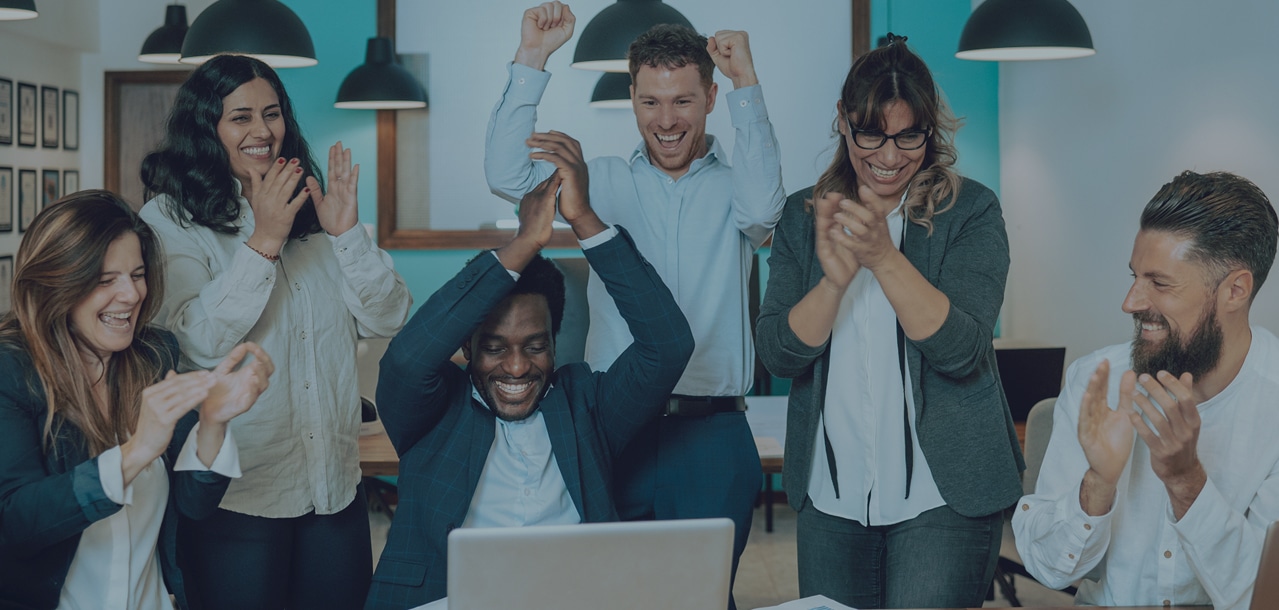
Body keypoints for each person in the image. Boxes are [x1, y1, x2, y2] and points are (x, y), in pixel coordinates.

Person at [484, 5, 785, 602]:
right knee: (611, 596)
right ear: (632, 98)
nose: (666, 119)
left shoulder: (738, 186)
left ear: (710, 99)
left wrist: (749, 82)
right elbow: (506, 175)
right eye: (650, 101)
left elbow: (763, 212)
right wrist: (533, 58)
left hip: (712, 435)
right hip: (613, 428)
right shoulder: (599, 183)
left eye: (683, 101)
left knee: (699, 598)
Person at [366, 135, 694, 608]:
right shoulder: (432, 409)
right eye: (495, 348)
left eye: (535, 346)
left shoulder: (587, 405)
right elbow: (406, 358)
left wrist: (583, 220)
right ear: (466, 346)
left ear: (555, 343)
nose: (517, 367)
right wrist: (524, 244)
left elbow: (668, 344)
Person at [754, 35, 1024, 608]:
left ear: (931, 131)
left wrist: (882, 256)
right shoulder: (806, 219)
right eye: (871, 134)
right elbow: (779, 354)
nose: (890, 155)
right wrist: (833, 281)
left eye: (909, 136)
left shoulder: (970, 211)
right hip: (830, 496)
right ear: (843, 123)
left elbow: (961, 350)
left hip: (943, 496)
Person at [139, 54, 413, 609]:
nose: (262, 131)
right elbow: (194, 342)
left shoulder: (315, 208)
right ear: (206, 128)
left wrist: (345, 237)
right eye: (240, 117)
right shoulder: (171, 218)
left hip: (334, 486)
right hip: (240, 497)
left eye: (272, 114)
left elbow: (390, 316)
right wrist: (263, 239)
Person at [1014, 171, 1279, 610]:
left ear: (1235, 290)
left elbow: (1264, 594)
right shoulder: (1096, 380)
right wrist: (1098, 483)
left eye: (1159, 283)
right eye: (1135, 276)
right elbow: (1047, 568)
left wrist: (1185, 480)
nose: (1131, 302)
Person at [0, 190, 272, 610]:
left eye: (137, 274)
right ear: (54, 282)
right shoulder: (11, 372)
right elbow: (17, 523)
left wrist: (214, 422)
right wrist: (137, 450)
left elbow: (193, 508)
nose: (130, 295)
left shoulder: (152, 354)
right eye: (105, 280)